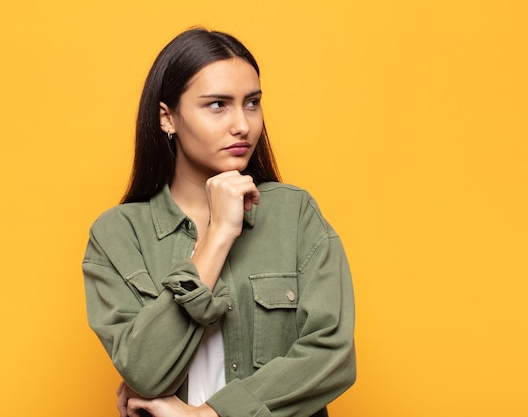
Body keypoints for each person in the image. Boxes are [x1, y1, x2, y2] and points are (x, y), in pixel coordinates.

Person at [82, 28, 356, 417]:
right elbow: (145, 373)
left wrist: (210, 415)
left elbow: (333, 356)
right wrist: (219, 235)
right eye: (217, 105)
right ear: (167, 118)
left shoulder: (294, 214)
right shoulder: (117, 236)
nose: (242, 125)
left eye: (252, 103)